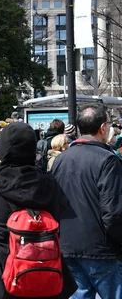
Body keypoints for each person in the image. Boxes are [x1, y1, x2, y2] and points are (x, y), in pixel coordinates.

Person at [0, 122, 77, 299]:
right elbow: (65, 217)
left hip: (1, 279)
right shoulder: (49, 184)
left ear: (3, 150)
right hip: (46, 274)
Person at [52, 104, 122, 298]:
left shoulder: (61, 159)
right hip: (102, 248)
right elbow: (113, 212)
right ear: (102, 128)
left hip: (68, 245)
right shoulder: (108, 160)